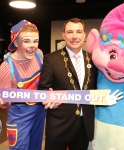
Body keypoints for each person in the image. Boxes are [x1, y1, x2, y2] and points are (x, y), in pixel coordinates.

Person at [38, 18, 98, 150]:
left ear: (84, 35)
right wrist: (47, 97)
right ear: (63, 35)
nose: (75, 36)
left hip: (84, 126)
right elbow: (43, 89)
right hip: (59, 125)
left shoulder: (94, 60)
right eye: (70, 32)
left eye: (79, 32)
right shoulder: (51, 59)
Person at [0, 20, 45, 150]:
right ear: (15, 42)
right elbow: (4, 99)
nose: (32, 46)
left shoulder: (39, 55)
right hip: (19, 116)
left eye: (35, 41)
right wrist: (3, 102)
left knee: (35, 146)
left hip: (39, 112)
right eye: (26, 41)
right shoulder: (6, 67)